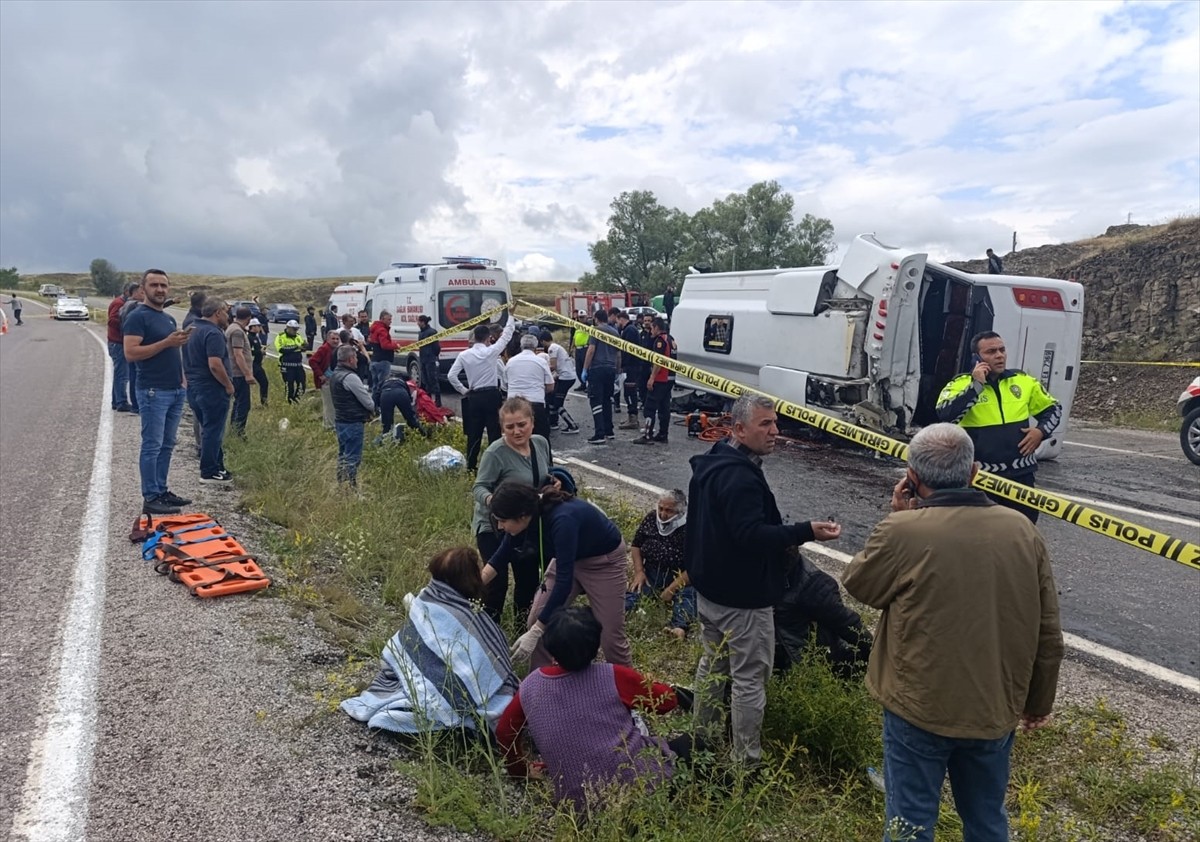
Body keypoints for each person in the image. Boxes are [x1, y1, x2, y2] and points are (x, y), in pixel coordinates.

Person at [842, 423, 1063, 842]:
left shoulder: (903, 530)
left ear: (912, 476)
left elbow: (859, 585)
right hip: (994, 708)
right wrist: (1037, 701)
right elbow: (1048, 630)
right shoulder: (1022, 531)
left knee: (909, 821)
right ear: (975, 471)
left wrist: (896, 519)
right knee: (986, 819)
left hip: (917, 706)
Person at [686, 393, 841, 764]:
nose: (775, 431)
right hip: (742, 598)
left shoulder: (716, 461)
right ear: (740, 428)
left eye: (775, 422)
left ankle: (702, 739)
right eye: (765, 424)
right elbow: (751, 536)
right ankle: (747, 763)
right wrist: (806, 530)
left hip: (710, 589)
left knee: (713, 664)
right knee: (749, 680)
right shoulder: (740, 478)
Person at [495, 607, 696, 813]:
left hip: (580, 809)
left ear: (550, 647)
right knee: (694, 744)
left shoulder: (531, 684)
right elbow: (666, 702)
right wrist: (656, 684)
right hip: (641, 791)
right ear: (596, 644)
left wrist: (518, 770)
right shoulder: (613, 675)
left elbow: (504, 731)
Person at [341, 547, 519, 736]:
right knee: (502, 698)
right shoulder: (468, 615)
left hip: (428, 686)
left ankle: (426, 712)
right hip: (453, 692)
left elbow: (394, 653)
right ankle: (449, 717)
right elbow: (498, 664)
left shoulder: (423, 602)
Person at [484, 481, 631, 670]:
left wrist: (538, 629)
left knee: (610, 635)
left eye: (502, 521)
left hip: (602, 562)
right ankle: (542, 681)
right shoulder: (525, 518)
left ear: (521, 516)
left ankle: (629, 690)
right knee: (536, 618)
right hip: (567, 558)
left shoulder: (563, 520)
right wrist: (470, 587)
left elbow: (564, 583)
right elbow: (500, 557)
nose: (500, 526)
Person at [935, 331, 1061, 522]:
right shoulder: (960, 384)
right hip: (979, 478)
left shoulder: (1022, 381)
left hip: (1021, 475)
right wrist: (976, 385)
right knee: (979, 537)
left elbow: (1054, 409)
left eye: (1002, 350)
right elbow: (946, 415)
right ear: (977, 358)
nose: (999, 355)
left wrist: (1040, 431)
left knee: (1023, 533)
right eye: (991, 352)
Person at [473, 398, 553, 621]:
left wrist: (555, 483)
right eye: (510, 427)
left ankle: (522, 627)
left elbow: (547, 472)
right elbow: (478, 487)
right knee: (496, 584)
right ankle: (489, 629)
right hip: (494, 526)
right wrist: (496, 503)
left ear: (532, 423)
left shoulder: (540, 444)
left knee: (527, 580)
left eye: (521, 424)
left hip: (524, 525)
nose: (517, 431)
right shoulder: (494, 453)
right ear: (502, 428)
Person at [123, 269, 193, 515]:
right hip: (153, 390)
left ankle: (162, 491)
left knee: (167, 444)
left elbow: (173, 351)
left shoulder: (167, 318)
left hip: (175, 389)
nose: (160, 290)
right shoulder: (137, 317)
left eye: (164, 285)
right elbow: (130, 354)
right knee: (152, 445)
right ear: (144, 289)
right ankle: (150, 496)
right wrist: (167, 343)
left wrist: (182, 379)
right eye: (154, 285)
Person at [448, 317, 516, 472]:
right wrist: (511, 317)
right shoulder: (491, 351)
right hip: (492, 395)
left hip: (474, 396)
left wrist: (464, 390)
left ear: (474, 338)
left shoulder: (464, 355)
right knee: (494, 432)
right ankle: (496, 466)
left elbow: (452, 376)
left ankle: (471, 466)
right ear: (488, 338)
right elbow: (506, 336)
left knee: (474, 432)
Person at [626, 489, 695, 639]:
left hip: (680, 577)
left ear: (680, 511)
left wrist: (671, 589)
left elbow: (695, 567)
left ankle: (678, 628)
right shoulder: (651, 518)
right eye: (661, 509)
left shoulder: (691, 528)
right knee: (634, 595)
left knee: (688, 598)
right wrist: (639, 572)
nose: (663, 514)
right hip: (651, 572)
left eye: (669, 511)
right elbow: (636, 544)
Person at [184, 297, 235, 484]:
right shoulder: (213, 333)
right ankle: (209, 471)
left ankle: (218, 466)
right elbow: (214, 364)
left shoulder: (192, 329)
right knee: (214, 430)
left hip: (194, 387)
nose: (228, 316)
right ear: (218, 312)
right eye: (226, 312)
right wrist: (228, 385)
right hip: (211, 388)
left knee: (208, 428)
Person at [330, 343, 374, 488]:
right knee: (353, 457)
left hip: (341, 420)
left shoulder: (336, 374)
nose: (357, 360)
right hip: (353, 422)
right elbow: (369, 403)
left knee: (343, 455)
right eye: (355, 357)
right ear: (350, 359)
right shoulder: (350, 377)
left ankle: (341, 484)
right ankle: (351, 487)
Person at [634, 317, 677, 445]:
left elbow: (658, 361)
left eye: (652, 328)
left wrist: (652, 378)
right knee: (664, 407)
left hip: (661, 378)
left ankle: (647, 435)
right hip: (670, 378)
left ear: (657, 328)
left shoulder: (660, 341)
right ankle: (663, 434)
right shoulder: (671, 339)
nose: (650, 331)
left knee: (649, 408)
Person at [504, 333, 554, 442]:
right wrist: (540, 391)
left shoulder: (510, 362)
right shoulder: (541, 362)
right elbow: (550, 386)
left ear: (521, 346)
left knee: (516, 440)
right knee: (541, 440)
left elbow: (505, 384)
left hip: (515, 405)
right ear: (535, 348)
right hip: (536, 403)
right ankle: (543, 459)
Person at [581, 309, 620, 445]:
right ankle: (609, 430)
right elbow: (618, 354)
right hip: (611, 369)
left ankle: (599, 433)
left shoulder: (596, 330)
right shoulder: (615, 332)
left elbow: (591, 350)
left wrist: (585, 369)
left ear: (596, 318)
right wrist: (617, 371)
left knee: (595, 400)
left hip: (597, 368)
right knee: (607, 400)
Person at [539, 329, 580, 434]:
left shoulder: (552, 349)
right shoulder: (557, 347)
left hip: (565, 378)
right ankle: (553, 422)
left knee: (557, 403)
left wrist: (540, 369)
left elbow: (553, 366)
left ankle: (572, 425)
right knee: (552, 398)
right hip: (566, 376)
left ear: (543, 341)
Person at [225, 306, 256, 437]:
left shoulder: (232, 327)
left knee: (238, 402)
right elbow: (238, 354)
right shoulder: (237, 331)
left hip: (235, 372)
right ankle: (239, 432)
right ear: (248, 319)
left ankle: (234, 429)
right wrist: (248, 374)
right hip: (239, 373)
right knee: (243, 404)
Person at [107, 283, 137, 412]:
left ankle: (116, 401)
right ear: (127, 292)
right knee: (122, 374)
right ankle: (121, 402)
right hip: (118, 343)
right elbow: (111, 320)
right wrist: (127, 324)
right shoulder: (119, 303)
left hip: (118, 341)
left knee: (120, 373)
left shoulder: (123, 303)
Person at [375, 370, 426, 444]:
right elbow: (409, 396)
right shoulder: (402, 381)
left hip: (386, 393)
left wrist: (377, 408)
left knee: (387, 423)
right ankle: (424, 435)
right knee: (410, 419)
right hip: (401, 392)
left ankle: (386, 442)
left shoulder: (384, 380)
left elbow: (376, 394)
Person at [615, 311, 644, 428]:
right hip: (631, 366)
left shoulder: (629, 330)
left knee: (630, 393)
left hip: (631, 367)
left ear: (621, 319)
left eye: (618, 321)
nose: (617, 324)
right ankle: (631, 417)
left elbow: (628, 350)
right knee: (628, 393)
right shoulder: (630, 329)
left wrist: (623, 365)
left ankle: (633, 419)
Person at [309, 328, 340, 429]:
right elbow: (312, 361)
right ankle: (329, 426)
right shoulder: (324, 348)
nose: (335, 341)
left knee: (332, 404)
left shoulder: (335, 349)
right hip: (326, 381)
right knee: (329, 404)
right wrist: (320, 375)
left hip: (333, 380)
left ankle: (329, 423)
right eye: (333, 339)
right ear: (327, 339)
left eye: (337, 339)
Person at [368, 310, 399, 402]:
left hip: (374, 360)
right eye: (389, 319)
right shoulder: (382, 330)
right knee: (382, 385)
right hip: (383, 361)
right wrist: (395, 346)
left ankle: (374, 406)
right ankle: (380, 405)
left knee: (375, 385)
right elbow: (385, 345)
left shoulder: (374, 328)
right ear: (382, 319)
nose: (390, 321)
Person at [274, 319, 307, 403]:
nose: (295, 331)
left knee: (302, 384)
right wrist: (296, 347)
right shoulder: (281, 336)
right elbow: (281, 349)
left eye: (296, 329)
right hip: (287, 365)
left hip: (298, 365)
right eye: (294, 329)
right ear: (288, 328)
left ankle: (297, 401)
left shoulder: (298, 336)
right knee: (289, 385)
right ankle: (288, 402)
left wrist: (305, 346)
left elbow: (302, 347)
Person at [416, 314, 442, 406]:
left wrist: (433, 356)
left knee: (433, 380)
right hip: (423, 359)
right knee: (425, 381)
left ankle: (438, 401)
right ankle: (429, 400)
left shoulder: (431, 332)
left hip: (430, 360)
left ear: (422, 322)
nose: (417, 323)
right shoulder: (421, 333)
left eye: (418, 321)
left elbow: (436, 347)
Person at [247, 318, 269, 406]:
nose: (260, 328)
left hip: (258, 363)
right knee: (264, 382)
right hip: (253, 363)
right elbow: (248, 351)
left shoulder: (256, 337)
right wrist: (260, 352)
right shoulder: (249, 337)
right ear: (253, 327)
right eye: (258, 326)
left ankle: (264, 401)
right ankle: (264, 403)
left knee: (264, 382)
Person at [572, 316, 590, 391]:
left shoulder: (589, 327)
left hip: (585, 348)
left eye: (583, 317)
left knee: (587, 368)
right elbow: (574, 338)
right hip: (578, 349)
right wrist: (572, 348)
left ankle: (590, 385)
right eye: (580, 318)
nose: (581, 319)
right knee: (578, 369)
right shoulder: (577, 328)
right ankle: (583, 384)